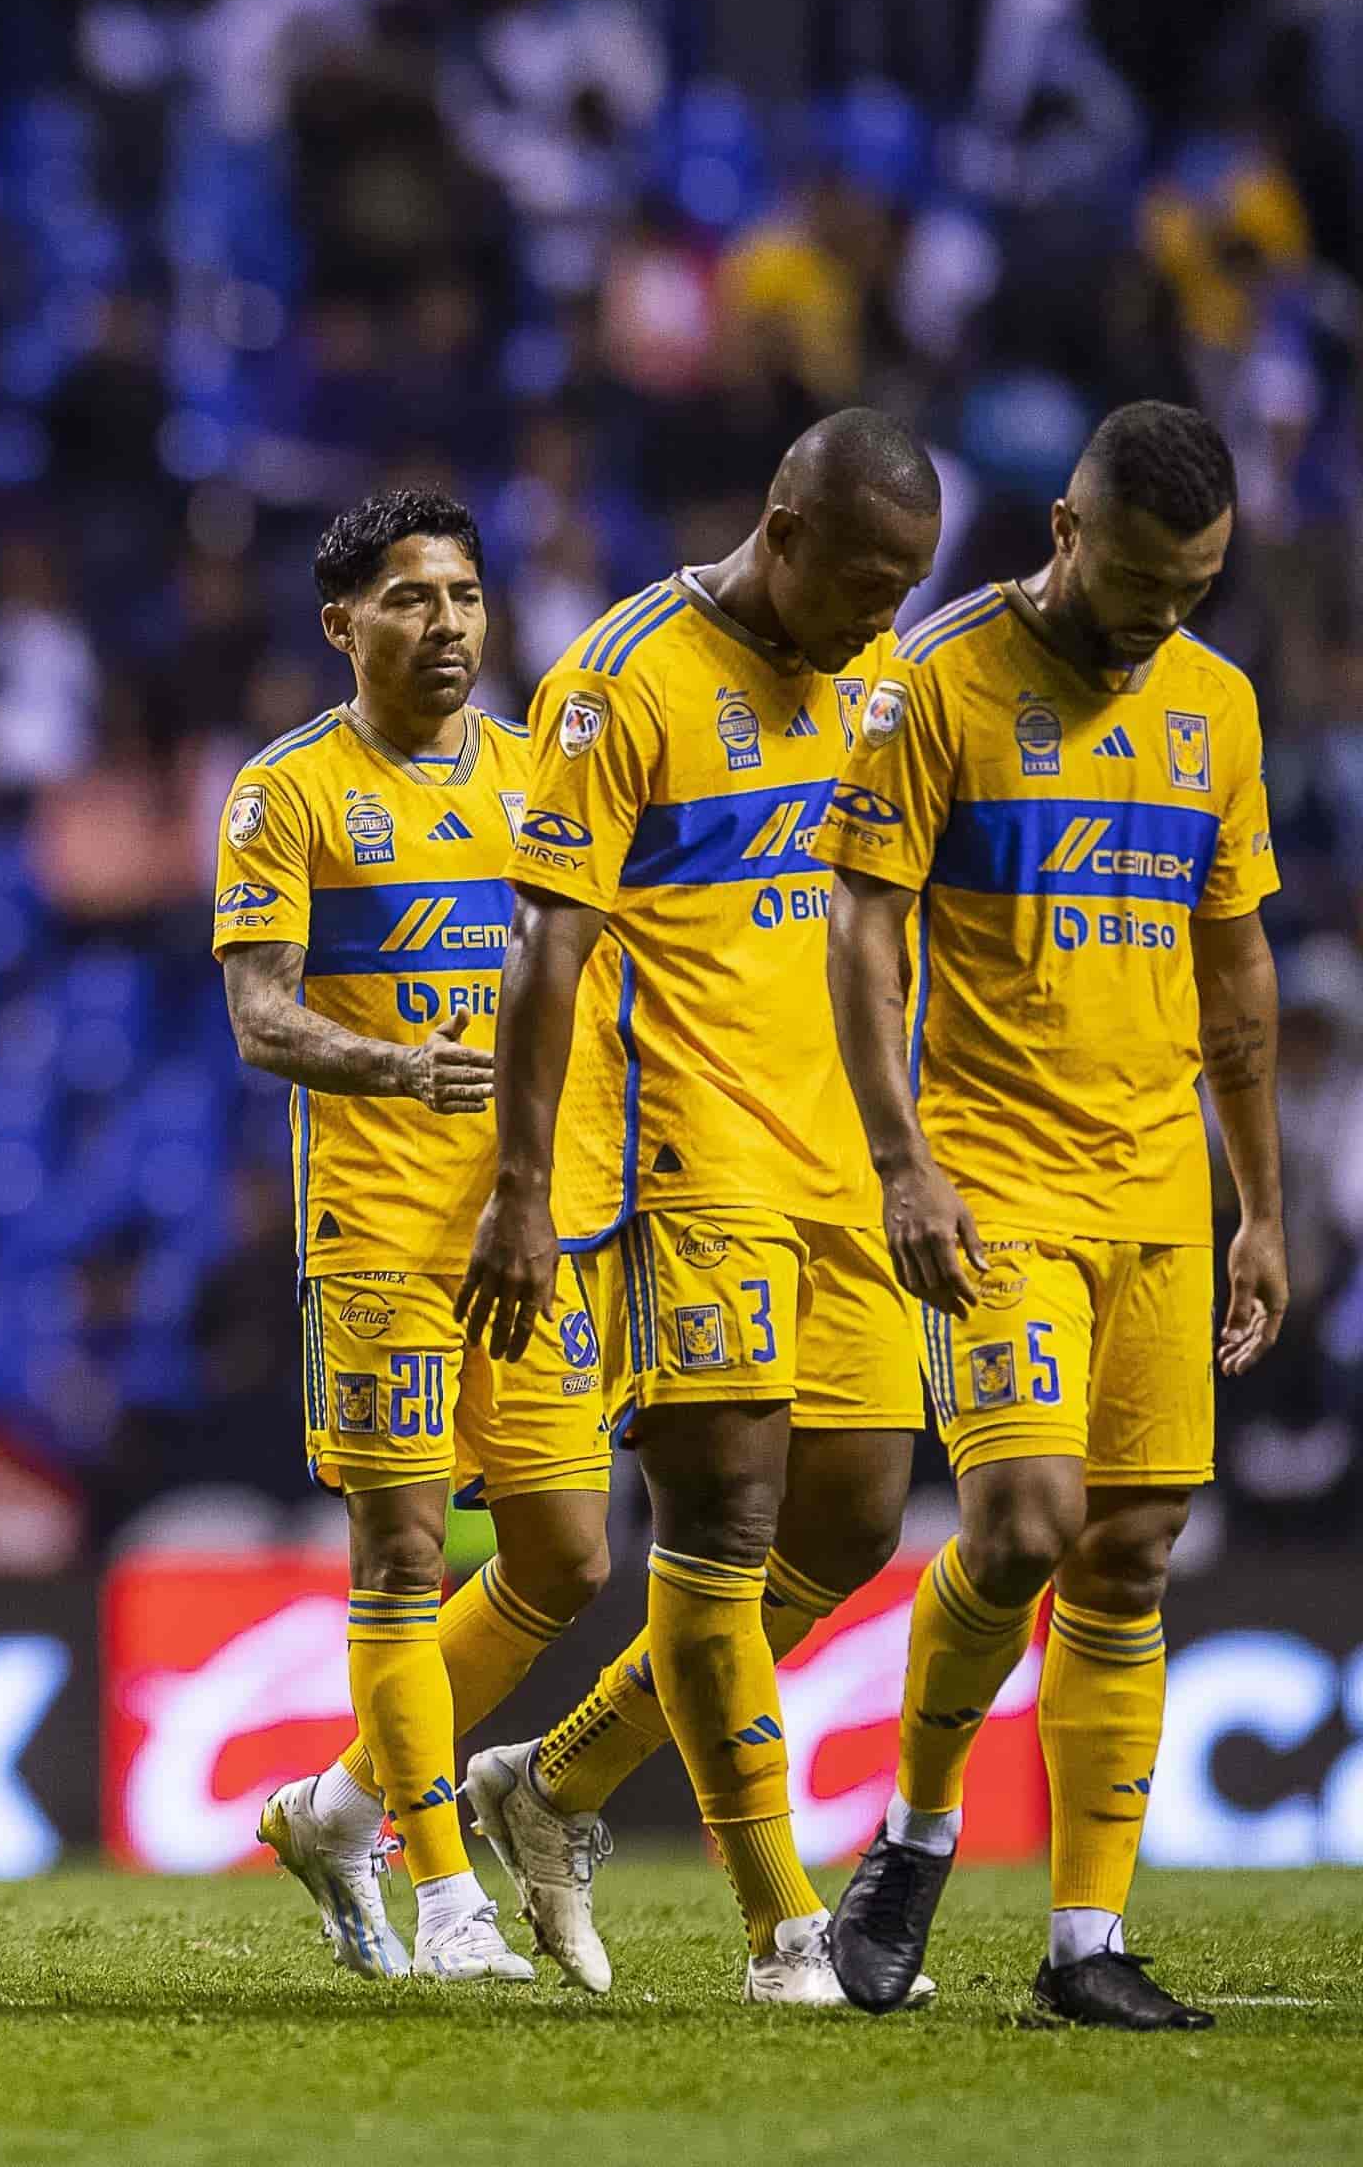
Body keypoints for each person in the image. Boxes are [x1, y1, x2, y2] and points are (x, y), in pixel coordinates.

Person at [455, 410, 946, 2005]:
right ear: (782, 532)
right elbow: (546, 951)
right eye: (864, 581)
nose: (883, 614)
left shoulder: (883, 679)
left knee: (854, 1521)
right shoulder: (623, 678)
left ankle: (552, 1784)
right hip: (685, 1150)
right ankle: (781, 1923)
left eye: (908, 586)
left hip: (848, 1151)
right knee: (721, 1523)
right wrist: (524, 1186)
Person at [819, 402, 1286, 2029]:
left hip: (1158, 1185)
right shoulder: (937, 683)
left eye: (1197, 587)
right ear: (1067, 532)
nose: (1164, 616)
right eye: (1143, 582)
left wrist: (1260, 1207)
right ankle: (914, 1834)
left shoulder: (1217, 708)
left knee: (1132, 1551)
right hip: (993, 1174)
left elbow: (1237, 975)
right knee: (1023, 1521)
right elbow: (862, 935)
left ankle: (1086, 1940)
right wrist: (900, 1161)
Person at [213, 491, 594, 1988]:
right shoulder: (285, 791)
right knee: (405, 1549)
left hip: (526, 1218)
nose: (448, 624)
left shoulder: (539, 775)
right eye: (412, 598)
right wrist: (393, 1065)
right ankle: (446, 1898)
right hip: (375, 1222)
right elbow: (260, 1015)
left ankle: (341, 1805)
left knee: (566, 1554)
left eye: (466, 596)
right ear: (343, 623)